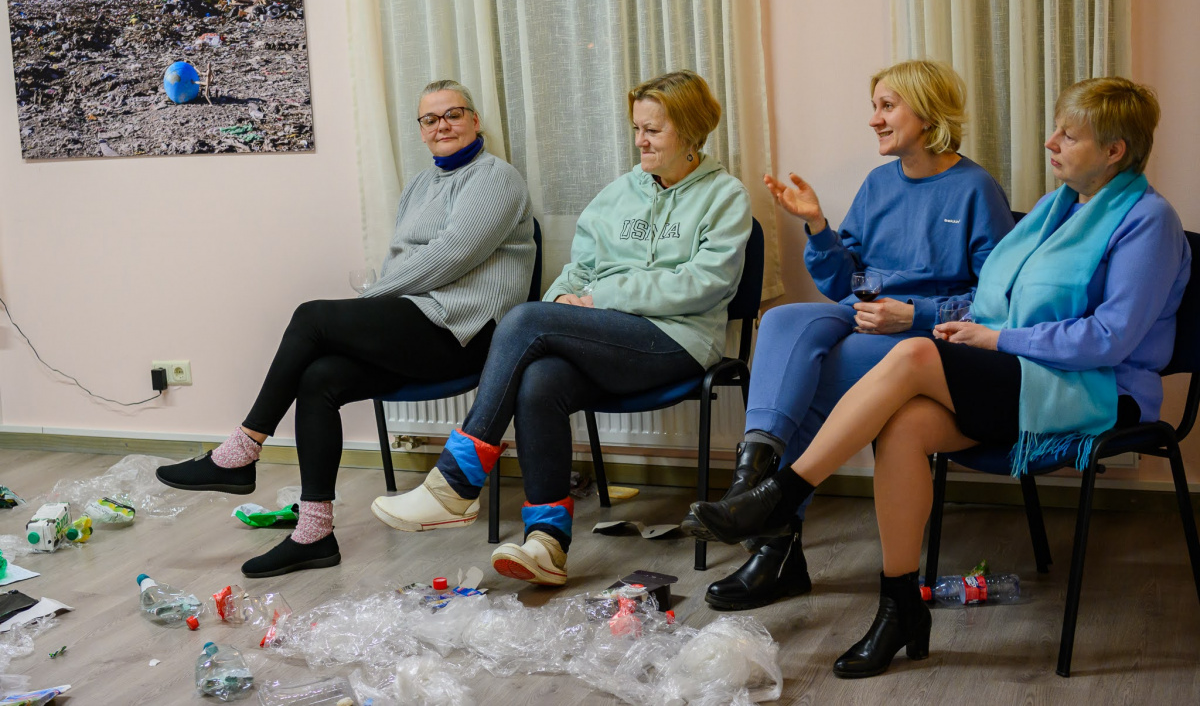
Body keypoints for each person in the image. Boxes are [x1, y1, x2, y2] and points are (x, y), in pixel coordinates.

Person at [684, 77, 1191, 677]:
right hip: (1025, 371)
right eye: (1056, 129)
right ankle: (900, 608)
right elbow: (994, 299)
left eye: (1068, 135)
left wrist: (991, 337)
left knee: (912, 357)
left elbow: (1111, 338)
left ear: (1114, 151)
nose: (1051, 142)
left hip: (1100, 390)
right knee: (904, 425)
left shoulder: (1149, 221)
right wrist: (975, 329)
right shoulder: (1057, 209)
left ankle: (781, 497)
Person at [371, 69, 752, 586]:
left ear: (690, 132)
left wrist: (598, 300)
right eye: (636, 129)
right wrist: (563, 304)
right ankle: (547, 542)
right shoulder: (618, 194)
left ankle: (456, 484)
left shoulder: (725, 196)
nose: (640, 141)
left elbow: (705, 284)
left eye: (653, 130)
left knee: (527, 319)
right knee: (540, 379)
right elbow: (578, 271)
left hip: (678, 341)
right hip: (608, 338)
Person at [155, 80, 536, 577]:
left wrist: (367, 304)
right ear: (421, 130)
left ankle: (243, 449)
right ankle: (314, 533)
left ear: (475, 120)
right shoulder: (421, 185)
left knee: (312, 316)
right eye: (430, 119)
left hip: (467, 333)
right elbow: (402, 260)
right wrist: (374, 309)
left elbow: (450, 256)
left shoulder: (496, 178)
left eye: (453, 114)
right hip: (419, 324)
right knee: (320, 379)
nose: (442, 125)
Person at [684, 59, 1013, 612]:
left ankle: (773, 545)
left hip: (925, 340)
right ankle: (750, 485)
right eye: (874, 106)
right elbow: (845, 282)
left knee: (811, 379)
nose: (874, 119)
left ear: (927, 112)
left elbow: (997, 303)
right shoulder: (879, 184)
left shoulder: (976, 189)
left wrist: (914, 314)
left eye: (887, 106)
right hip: (861, 315)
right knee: (782, 321)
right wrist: (817, 226)